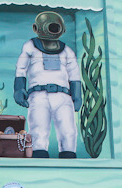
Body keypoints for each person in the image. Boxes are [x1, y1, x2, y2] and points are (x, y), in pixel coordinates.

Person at [13, 11, 82, 158]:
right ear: (36, 28)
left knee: (68, 131)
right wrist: (19, 88)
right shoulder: (30, 47)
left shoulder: (66, 51)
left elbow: (74, 74)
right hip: (38, 95)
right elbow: (21, 69)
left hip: (63, 96)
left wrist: (76, 95)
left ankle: (68, 159)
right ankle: (39, 158)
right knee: (38, 129)